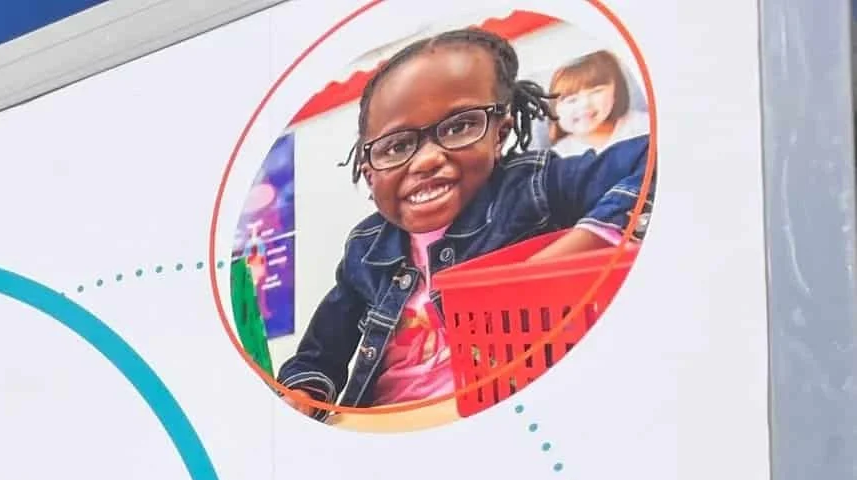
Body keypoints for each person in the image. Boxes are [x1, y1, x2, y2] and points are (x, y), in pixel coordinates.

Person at [277, 27, 650, 415]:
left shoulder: (533, 187)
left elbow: (653, 158)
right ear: (369, 172)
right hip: (389, 430)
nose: (425, 160)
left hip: (509, 413)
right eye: (397, 146)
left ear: (499, 133)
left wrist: (587, 240)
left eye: (459, 127)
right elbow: (317, 356)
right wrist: (303, 393)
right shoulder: (364, 249)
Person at [548, 50, 650, 158]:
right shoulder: (558, 157)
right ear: (554, 110)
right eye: (571, 100)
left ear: (616, 91)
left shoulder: (642, 126)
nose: (584, 104)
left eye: (596, 91)